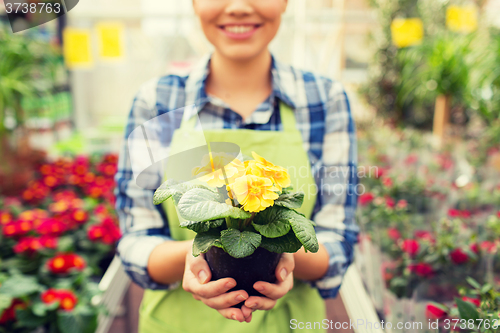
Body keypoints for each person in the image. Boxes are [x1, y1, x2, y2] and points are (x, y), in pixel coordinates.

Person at [115, 0, 359, 332]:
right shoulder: (157, 101)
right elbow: (136, 240)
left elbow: (338, 239)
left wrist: (284, 259)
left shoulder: (325, 100)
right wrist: (197, 257)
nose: (240, 7)